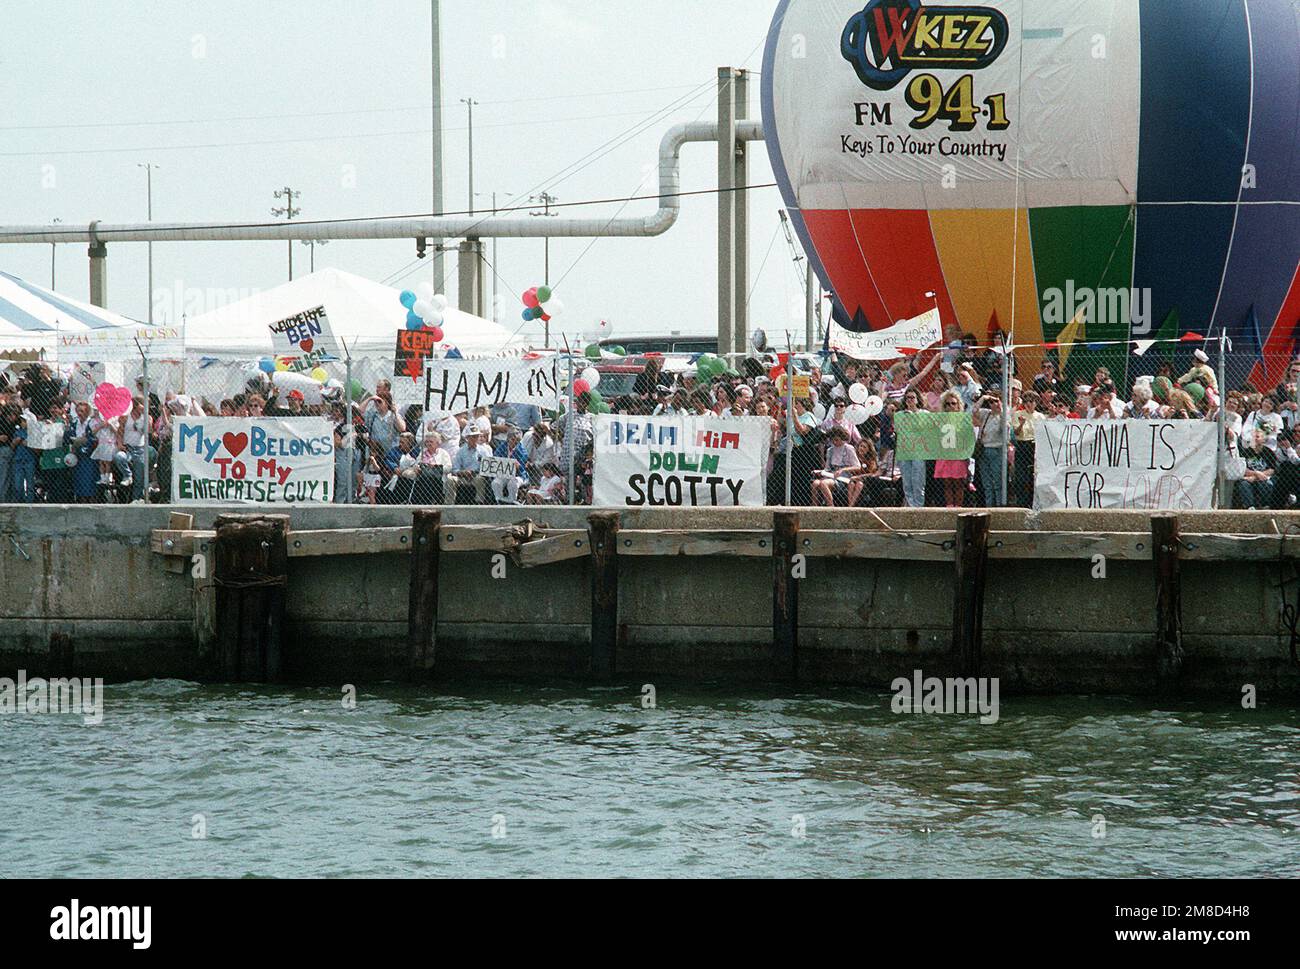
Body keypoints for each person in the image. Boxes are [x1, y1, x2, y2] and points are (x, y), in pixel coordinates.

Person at [934, 392, 970, 507]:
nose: (950, 406)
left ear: (958, 405)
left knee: (959, 483)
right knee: (947, 483)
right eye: (947, 404)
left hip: (958, 454)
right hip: (945, 453)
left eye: (953, 403)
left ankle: (958, 507)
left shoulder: (963, 419)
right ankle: (949, 507)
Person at [974, 394, 1008, 507]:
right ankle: (989, 506)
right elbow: (974, 410)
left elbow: (1004, 430)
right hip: (983, 450)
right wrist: (983, 398)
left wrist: (1001, 410)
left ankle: (999, 506)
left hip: (996, 451)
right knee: (986, 483)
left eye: (997, 401)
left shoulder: (1003, 416)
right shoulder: (986, 413)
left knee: (997, 482)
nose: (994, 404)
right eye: (992, 402)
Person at [448, 426, 492, 504]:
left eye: (477, 436)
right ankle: (449, 503)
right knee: (451, 479)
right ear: (467, 438)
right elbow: (455, 469)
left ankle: (479, 503)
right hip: (462, 477)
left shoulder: (484, 451)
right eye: (473, 437)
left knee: (480, 479)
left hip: (477, 476)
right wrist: (462, 472)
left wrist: (477, 473)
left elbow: (489, 467)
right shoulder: (460, 451)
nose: (475, 439)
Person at [1236, 428, 1277, 509]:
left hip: (1263, 478)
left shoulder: (1268, 452)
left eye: (1257, 437)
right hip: (1249, 478)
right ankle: (1250, 507)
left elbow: (1272, 469)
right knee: (1244, 484)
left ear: (1263, 440)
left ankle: (1265, 505)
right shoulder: (1246, 452)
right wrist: (1256, 473)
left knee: (1267, 484)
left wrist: (1256, 476)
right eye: (1253, 437)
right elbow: (1244, 468)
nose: (1254, 439)